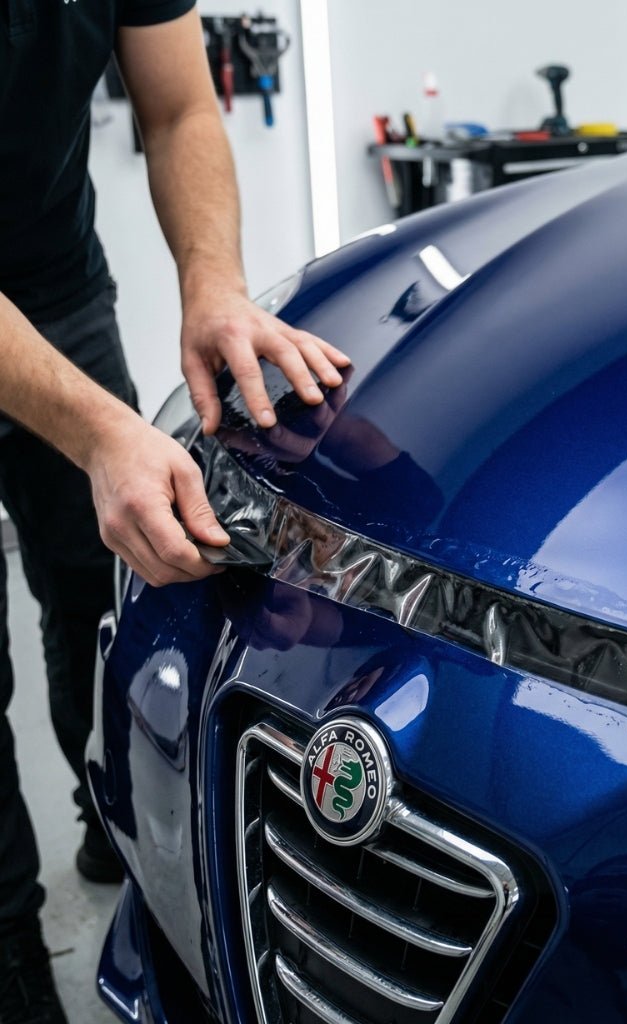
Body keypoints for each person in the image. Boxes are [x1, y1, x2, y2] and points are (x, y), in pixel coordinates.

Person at [0, 1, 350, 1019]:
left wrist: (215, 285)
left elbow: (180, 107)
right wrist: (104, 434)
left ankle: (101, 814)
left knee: (88, 587)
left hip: (59, 285)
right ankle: (12, 942)